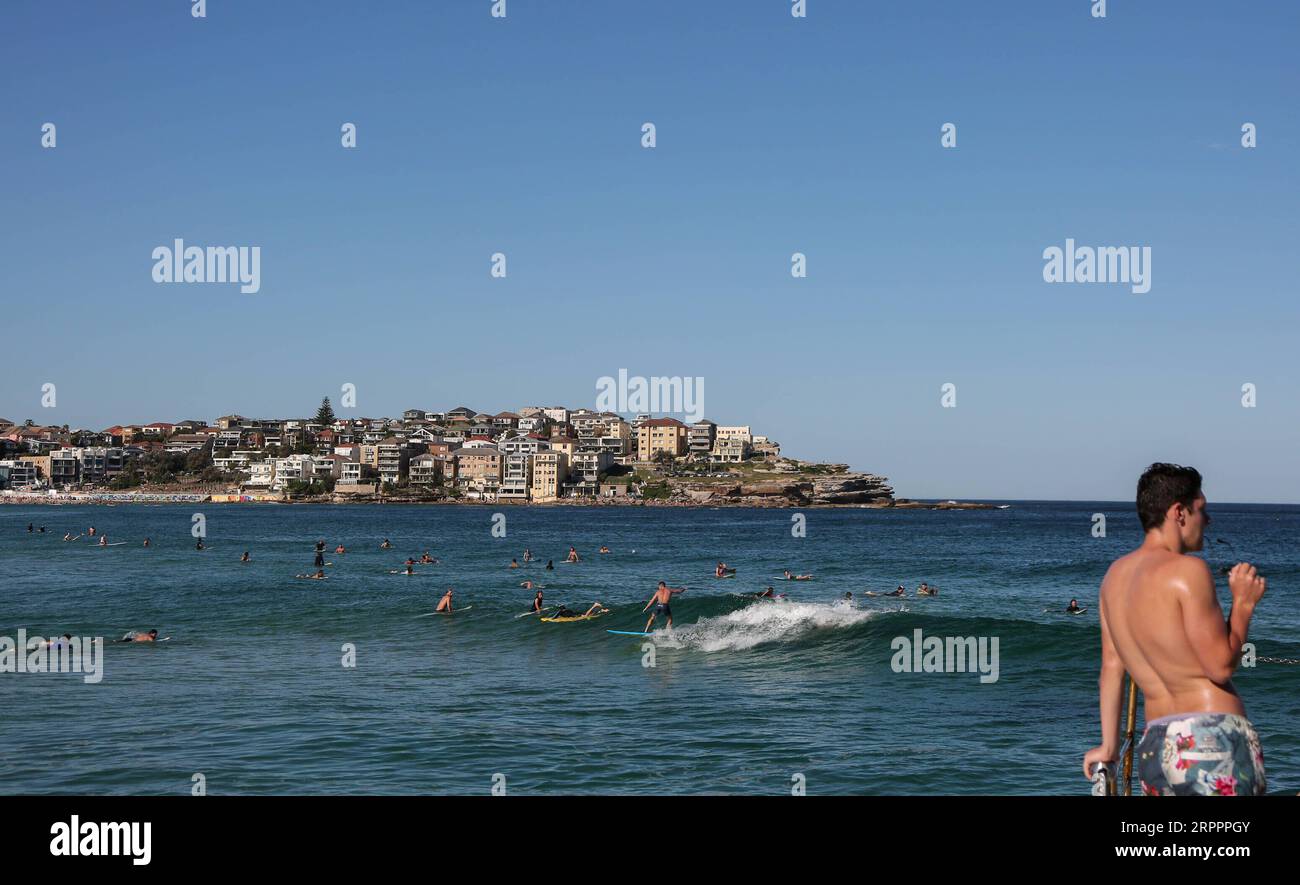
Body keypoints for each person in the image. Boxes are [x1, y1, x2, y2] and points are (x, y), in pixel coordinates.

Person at [1083, 464, 1268, 796]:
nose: (1208, 520)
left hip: (1155, 745)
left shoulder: (1112, 579)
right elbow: (1220, 665)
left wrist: (1109, 747)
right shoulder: (1189, 571)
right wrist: (1243, 604)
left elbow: (1112, 669)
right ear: (1179, 512)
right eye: (1202, 509)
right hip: (1210, 738)